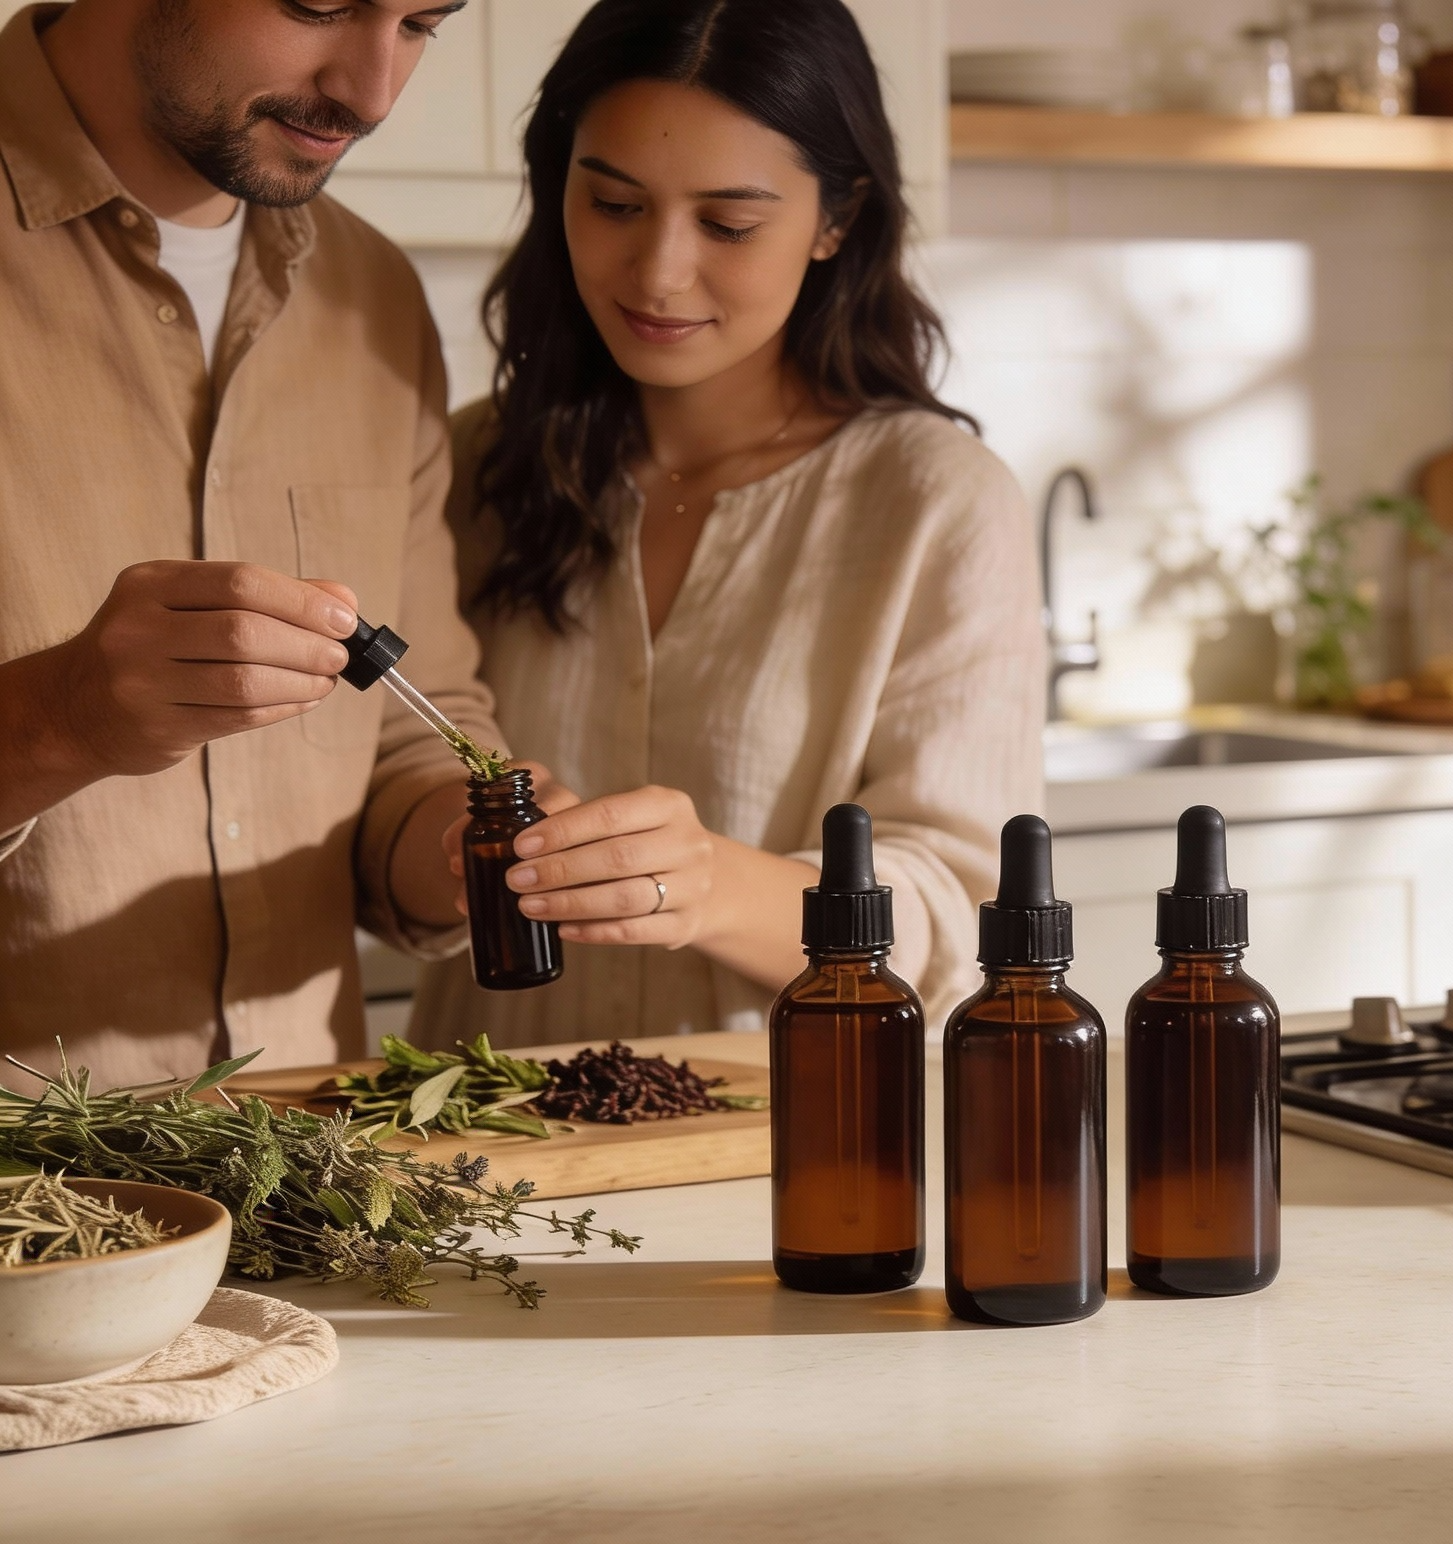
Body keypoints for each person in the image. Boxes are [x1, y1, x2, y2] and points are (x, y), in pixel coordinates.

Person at [408, 0, 1042, 1047]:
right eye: (612, 205)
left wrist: (710, 889)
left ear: (836, 220)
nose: (657, 272)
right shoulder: (471, 463)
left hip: (789, 1143)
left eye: (728, 224)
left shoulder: (934, 500)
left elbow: (969, 917)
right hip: (483, 1133)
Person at [0, 0, 533, 1089]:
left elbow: (406, 733)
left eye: (423, 21)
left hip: (312, 1181)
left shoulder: (375, 297)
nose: (373, 92)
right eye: (319, 5)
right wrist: (62, 719)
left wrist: (470, 841)